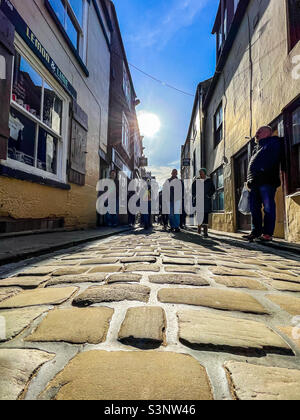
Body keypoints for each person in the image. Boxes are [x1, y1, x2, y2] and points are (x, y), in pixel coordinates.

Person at [244, 126, 285, 243]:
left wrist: (262, 169)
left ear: (268, 133)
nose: (256, 134)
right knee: (254, 209)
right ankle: (255, 232)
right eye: (256, 132)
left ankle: (267, 234)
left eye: (259, 131)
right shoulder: (256, 148)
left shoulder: (273, 142)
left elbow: (273, 159)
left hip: (267, 182)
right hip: (254, 184)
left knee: (268, 208)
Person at [193, 169, 215, 238]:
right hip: (199, 200)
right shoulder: (196, 181)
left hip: (206, 201)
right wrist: (195, 195)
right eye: (200, 173)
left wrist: (208, 195)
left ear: (205, 173)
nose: (200, 175)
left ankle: (205, 232)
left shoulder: (209, 181)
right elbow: (192, 190)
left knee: (205, 216)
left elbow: (213, 189)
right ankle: (199, 228)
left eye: (202, 173)